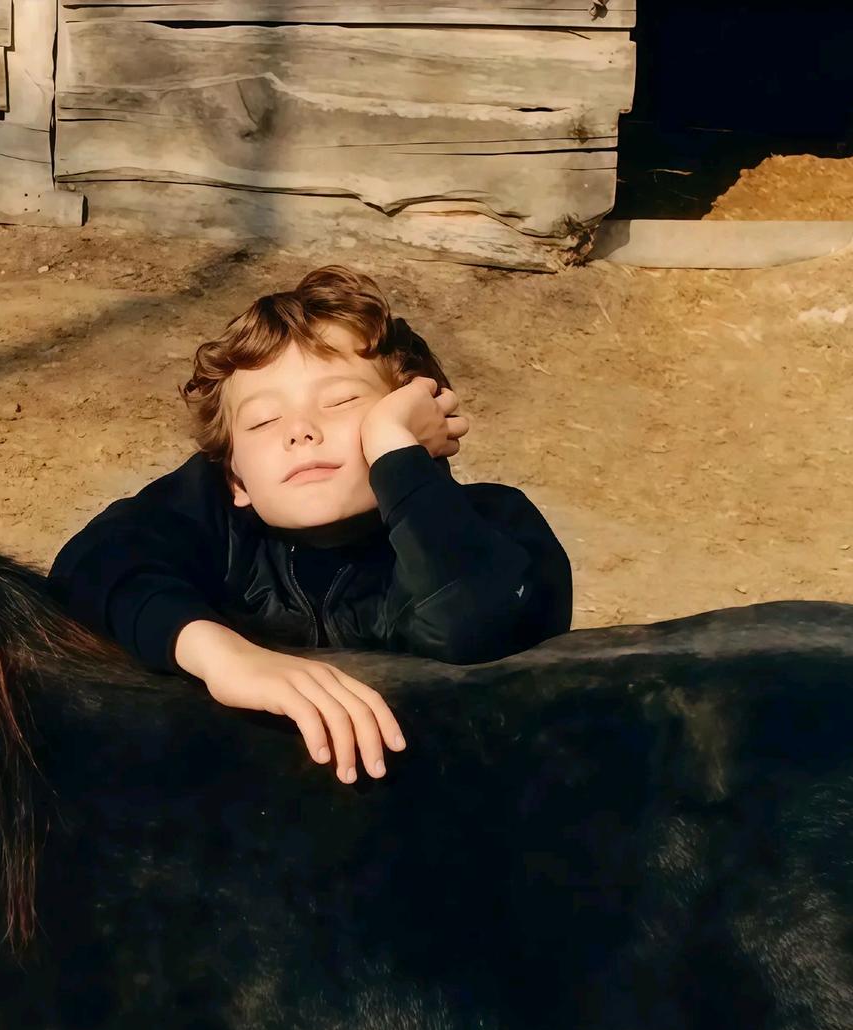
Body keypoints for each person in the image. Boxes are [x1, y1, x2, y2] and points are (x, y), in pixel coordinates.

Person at [49, 266, 572, 784]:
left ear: (422, 424)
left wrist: (396, 450)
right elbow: (88, 567)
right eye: (261, 421)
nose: (300, 430)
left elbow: (473, 627)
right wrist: (226, 657)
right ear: (237, 481)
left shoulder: (496, 523)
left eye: (342, 402)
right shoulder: (218, 525)